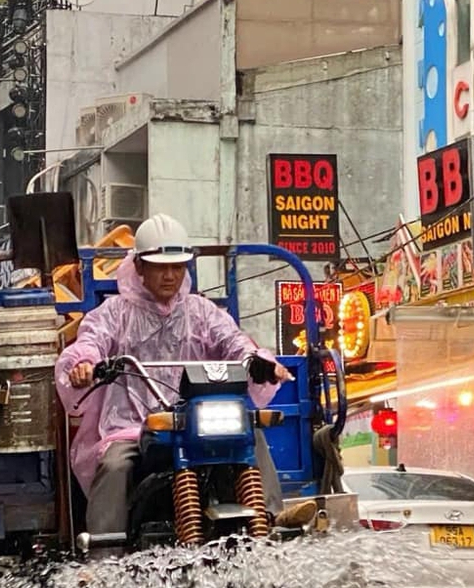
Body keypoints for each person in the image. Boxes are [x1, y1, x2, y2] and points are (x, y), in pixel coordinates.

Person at [54, 214, 314, 540]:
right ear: (139, 267)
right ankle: (105, 550)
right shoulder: (114, 313)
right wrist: (84, 364)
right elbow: (91, 341)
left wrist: (259, 362)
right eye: (160, 267)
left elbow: (234, 342)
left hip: (196, 419)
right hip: (132, 427)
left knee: (251, 434)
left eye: (177, 267)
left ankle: (272, 519)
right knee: (116, 465)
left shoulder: (201, 311)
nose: (170, 275)